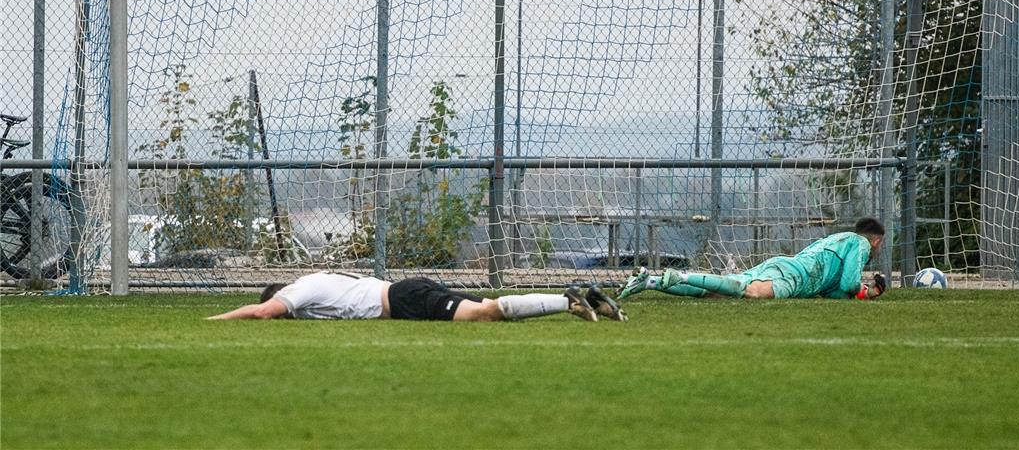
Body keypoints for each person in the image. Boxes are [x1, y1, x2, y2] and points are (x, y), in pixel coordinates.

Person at [617, 216, 887, 300]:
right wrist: (863, 290)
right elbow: (849, 284)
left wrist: (869, 293)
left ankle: (650, 281)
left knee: (717, 292)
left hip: (785, 265)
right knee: (750, 292)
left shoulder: (838, 240)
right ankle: (681, 275)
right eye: (879, 245)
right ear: (875, 240)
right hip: (795, 275)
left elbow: (837, 292)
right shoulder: (860, 242)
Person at [207, 272, 625, 322]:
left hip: (404, 300)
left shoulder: (299, 290)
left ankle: (566, 301)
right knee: (485, 308)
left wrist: (218, 320)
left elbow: (262, 312)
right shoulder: (316, 282)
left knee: (482, 315)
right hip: (407, 288)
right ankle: (585, 299)